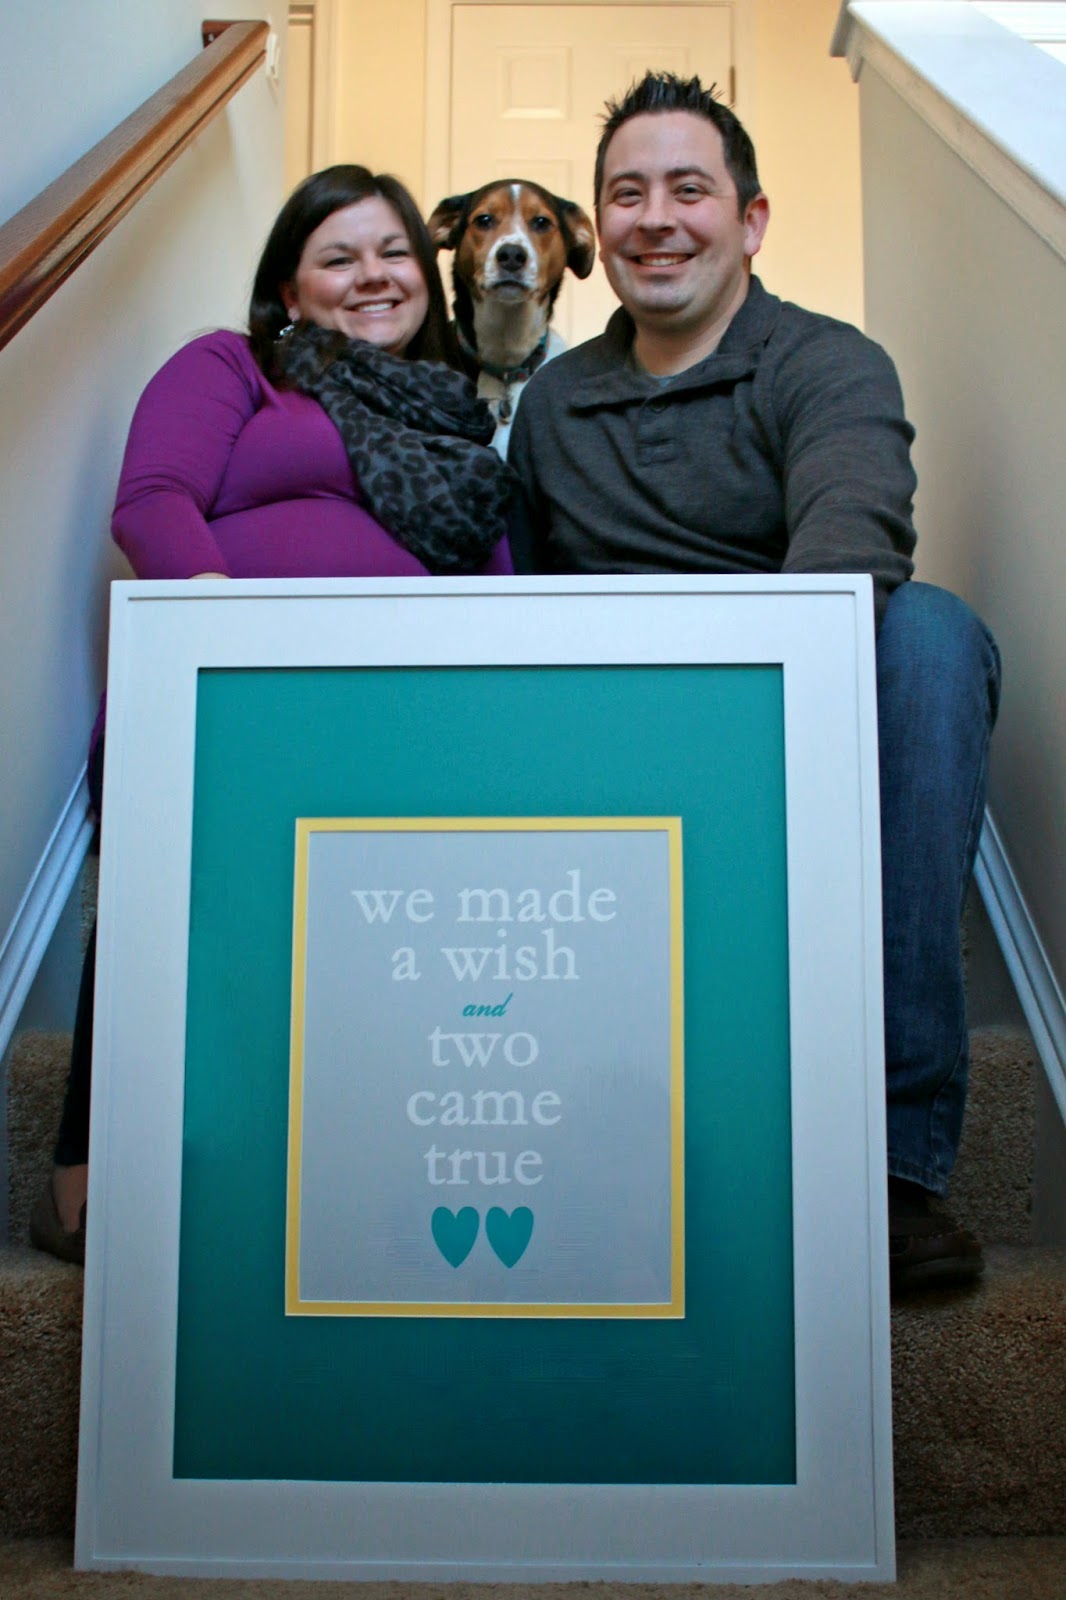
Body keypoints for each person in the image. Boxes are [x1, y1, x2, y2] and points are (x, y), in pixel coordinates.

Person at [508, 73, 1001, 1294]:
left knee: (931, 635)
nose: (655, 219)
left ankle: (891, 1169)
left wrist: (735, 720)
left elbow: (850, 547)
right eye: (626, 193)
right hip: (610, 726)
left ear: (751, 219)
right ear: (598, 226)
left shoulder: (826, 362)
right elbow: (519, 593)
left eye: (689, 188)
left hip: (793, 712)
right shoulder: (553, 402)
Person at [32, 165, 513, 1265]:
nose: (373, 275)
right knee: (181, 895)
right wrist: (238, 655)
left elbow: (495, 603)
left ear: (426, 275)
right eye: (338, 258)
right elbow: (152, 503)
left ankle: (336, 1174)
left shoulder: (461, 426)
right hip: (226, 700)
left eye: (392, 252)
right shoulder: (235, 367)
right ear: (290, 291)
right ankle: (87, 1172)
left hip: (394, 733)